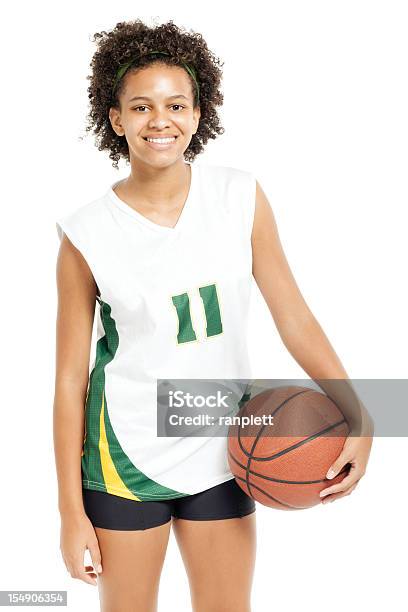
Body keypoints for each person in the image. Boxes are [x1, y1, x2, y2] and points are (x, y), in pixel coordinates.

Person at [54, 19, 373, 612]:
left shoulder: (239, 197)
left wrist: (362, 414)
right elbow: (70, 380)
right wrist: (70, 513)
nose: (160, 120)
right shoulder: (85, 235)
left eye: (176, 104)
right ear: (115, 118)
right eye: (141, 106)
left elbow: (294, 316)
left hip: (227, 443)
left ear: (199, 115)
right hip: (125, 452)